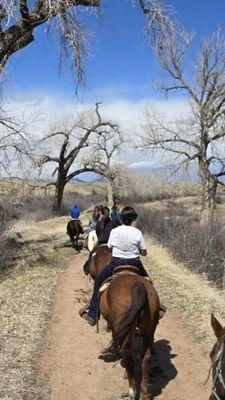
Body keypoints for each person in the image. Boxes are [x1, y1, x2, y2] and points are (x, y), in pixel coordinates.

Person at [81, 206, 149, 326]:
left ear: (121, 219)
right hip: (135, 263)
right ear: (133, 220)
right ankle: (156, 308)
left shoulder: (115, 231)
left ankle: (92, 315)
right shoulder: (137, 232)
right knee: (148, 282)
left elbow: (109, 247)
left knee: (98, 283)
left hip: (116, 262)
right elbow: (144, 253)